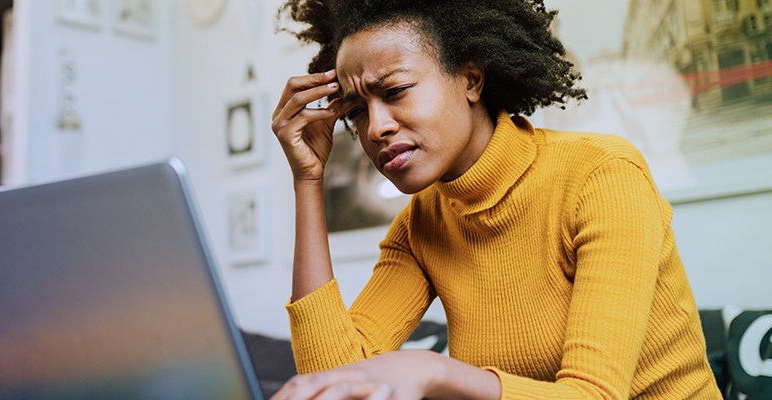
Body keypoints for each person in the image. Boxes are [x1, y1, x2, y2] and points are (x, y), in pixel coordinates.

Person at [267, 1, 721, 399]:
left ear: (471, 80)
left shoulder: (601, 175)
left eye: (395, 91)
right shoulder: (422, 224)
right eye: (357, 110)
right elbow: (333, 382)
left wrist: (432, 369)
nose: (375, 128)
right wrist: (307, 180)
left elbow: (593, 395)